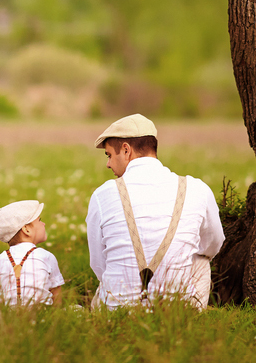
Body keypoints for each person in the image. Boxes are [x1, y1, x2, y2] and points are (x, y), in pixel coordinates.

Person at [86, 114, 224, 309]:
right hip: (176, 312)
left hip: (118, 312)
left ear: (126, 150)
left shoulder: (102, 195)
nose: (108, 164)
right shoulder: (196, 189)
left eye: (109, 155)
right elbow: (213, 245)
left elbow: (99, 264)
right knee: (201, 259)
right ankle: (189, 316)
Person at [0, 200, 65, 306]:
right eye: (39, 220)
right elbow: (56, 294)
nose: (44, 223)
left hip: (8, 316)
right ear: (26, 230)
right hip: (42, 313)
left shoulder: (0, 260)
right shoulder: (46, 256)